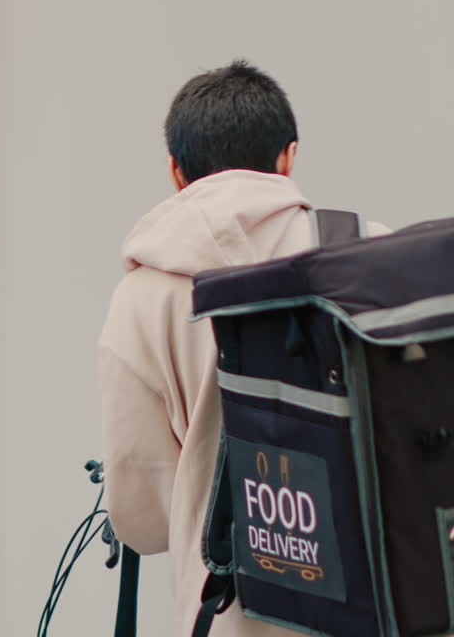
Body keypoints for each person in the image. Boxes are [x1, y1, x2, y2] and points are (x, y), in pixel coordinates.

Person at [98, 60, 385, 636]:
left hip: (231, 617)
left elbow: (143, 520)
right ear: (288, 158)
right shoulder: (373, 255)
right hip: (383, 613)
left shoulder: (142, 298)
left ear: (177, 173)